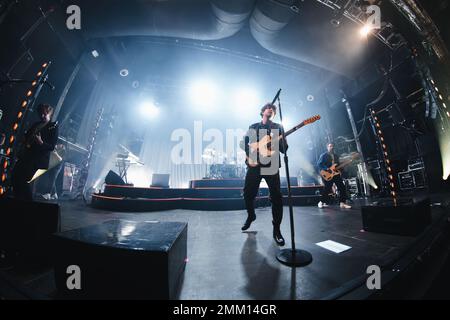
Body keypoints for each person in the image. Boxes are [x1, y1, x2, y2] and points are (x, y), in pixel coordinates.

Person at [240, 103, 288, 246]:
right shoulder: (253, 127)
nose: (271, 110)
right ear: (262, 112)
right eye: (268, 108)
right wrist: (251, 156)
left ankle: (277, 230)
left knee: (276, 197)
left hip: (271, 164)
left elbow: (284, 150)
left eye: (273, 109)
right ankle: (251, 215)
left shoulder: (278, 127)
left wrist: (282, 140)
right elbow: (244, 144)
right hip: (254, 165)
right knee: (248, 193)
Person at [11, 104, 59, 200]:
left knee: (25, 180)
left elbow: (51, 147)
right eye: (40, 113)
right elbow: (26, 137)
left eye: (44, 114)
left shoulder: (53, 127)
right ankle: (17, 200)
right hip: (27, 156)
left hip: (38, 159)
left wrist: (41, 142)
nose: (42, 116)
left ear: (49, 113)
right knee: (15, 175)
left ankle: (28, 203)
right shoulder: (36, 125)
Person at [317, 143, 351, 209]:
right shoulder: (324, 155)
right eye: (330, 146)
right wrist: (327, 169)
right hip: (327, 173)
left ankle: (342, 203)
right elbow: (319, 164)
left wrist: (343, 167)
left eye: (332, 146)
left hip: (335, 174)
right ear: (327, 147)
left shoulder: (336, 156)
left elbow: (337, 166)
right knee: (327, 188)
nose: (332, 147)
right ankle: (321, 202)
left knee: (342, 187)